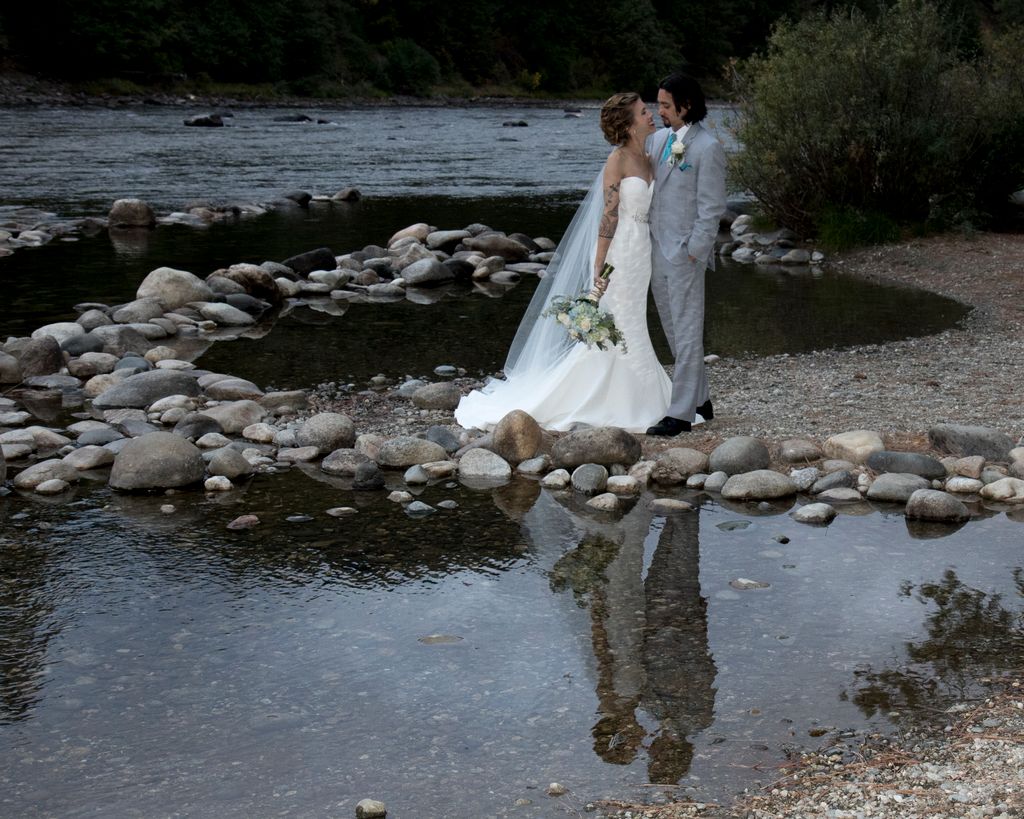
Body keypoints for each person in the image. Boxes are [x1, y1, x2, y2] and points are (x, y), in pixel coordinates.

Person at [454, 93, 672, 433]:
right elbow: (609, 216)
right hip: (619, 250)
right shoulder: (617, 160)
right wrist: (599, 264)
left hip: (642, 249)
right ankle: (618, 399)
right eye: (644, 113)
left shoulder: (647, 156)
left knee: (634, 320)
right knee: (619, 319)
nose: (651, 117)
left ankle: (641, 393)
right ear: (628, 124)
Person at [645, 73, 727, 436]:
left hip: (685, 255)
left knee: (688, 329)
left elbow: (711, 209)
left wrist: (695, 251)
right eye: (658, 104)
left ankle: (681, 414)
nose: (659, 110)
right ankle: (701, 400)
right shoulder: (659, 140)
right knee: (673, 330)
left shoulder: (707, 148)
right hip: (655, 251)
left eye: (665, 105)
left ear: (686, 105)